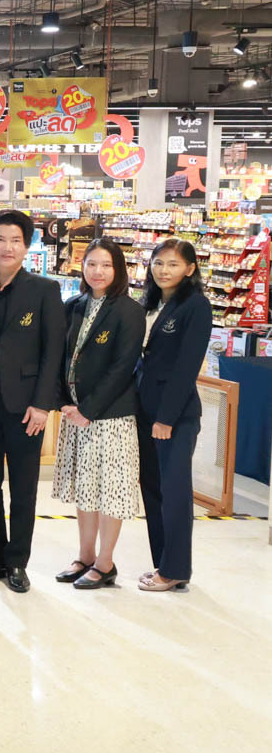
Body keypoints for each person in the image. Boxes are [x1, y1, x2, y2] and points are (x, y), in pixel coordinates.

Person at [0, 209, 65, 594]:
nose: (7, 247)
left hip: (27, 409)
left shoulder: (44, 290)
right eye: (0, 239)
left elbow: (53, 352)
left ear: (27, 247)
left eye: (16, 241)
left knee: (23, 489)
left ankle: (18, 561)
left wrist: (42, 404)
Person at [53, 238, 145, 590]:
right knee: (85, 488)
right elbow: (60, 358)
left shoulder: (129, 311)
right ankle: (85, 555)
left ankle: (105, 563)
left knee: (111, 491)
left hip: (110, 419)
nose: (98, 271)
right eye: (91, 264)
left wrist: (88, 410)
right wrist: (64, 401)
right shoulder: (73, 306)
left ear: (118, 269)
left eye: (106, 265)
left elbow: (123, 368)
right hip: (76, 416)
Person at [135, 237, 211, 592]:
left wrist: (166, 418)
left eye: (173, 264)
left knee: (175, 490)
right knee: (152, 488)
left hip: (175, 417)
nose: (164, 270)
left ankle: (176, 568)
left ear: (190, 269)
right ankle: (163, 563)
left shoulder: (196, 306)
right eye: (158, 262)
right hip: (143, 409)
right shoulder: (150, 303)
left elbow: (186, 367)